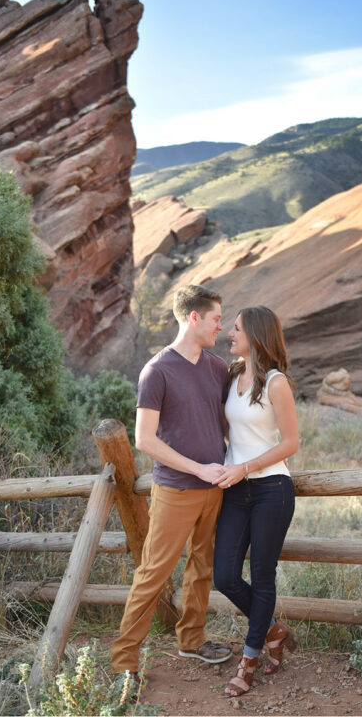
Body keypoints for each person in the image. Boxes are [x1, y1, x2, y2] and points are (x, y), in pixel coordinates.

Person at [111, 285, 233, 683]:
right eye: (216, 318)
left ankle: (192, 639)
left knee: (202, 567)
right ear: (194, 317)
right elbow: (144, 439)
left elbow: (227, 423)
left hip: (216, 489)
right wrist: (198, 469)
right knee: (154, 573)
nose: (221, 325)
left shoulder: (216, 367)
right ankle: (125, 661)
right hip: (177, 490)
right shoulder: (157, 370)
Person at [211, 306, 301, 697]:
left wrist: (245, 467)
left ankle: (248, 662)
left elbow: (291, 443)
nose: (229, 333)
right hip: (236, 490)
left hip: (271, 490)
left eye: (235, 328)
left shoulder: (277, 383)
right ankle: (273, 631)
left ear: (256, 334)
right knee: (225, 576)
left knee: (263, 576)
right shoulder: (232, 375)